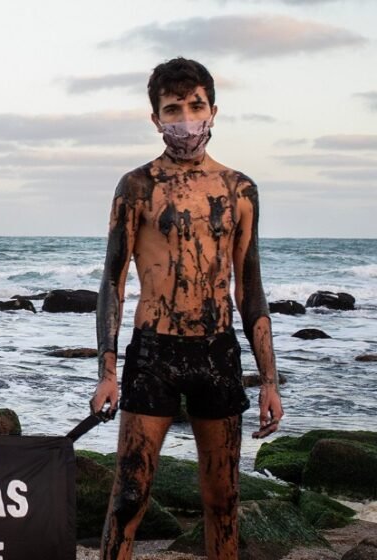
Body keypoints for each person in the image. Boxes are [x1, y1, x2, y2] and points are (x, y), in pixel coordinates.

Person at [90, 58, 284, 560]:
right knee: (128, 499)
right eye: (172, 109)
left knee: (223, 501)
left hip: (217, 355)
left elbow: (251, 288)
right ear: (155, 119)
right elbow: (111, 283)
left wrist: (269, 381)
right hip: (153, 352)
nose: (184, 119)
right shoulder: (136, 187)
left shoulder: (239, 190)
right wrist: (107, 372)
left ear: (213, 111)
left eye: (195, 106)